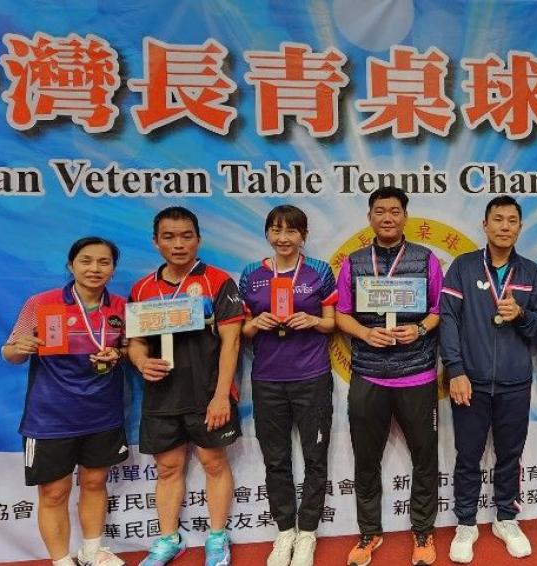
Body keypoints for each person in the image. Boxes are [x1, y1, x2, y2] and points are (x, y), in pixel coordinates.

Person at [1, 236, 129, 566]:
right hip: (51, 417)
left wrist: (117, 353)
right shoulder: (41, 303)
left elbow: (129, 349)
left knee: (95, 482)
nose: (95, 268)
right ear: (71, 265)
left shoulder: (119, 307)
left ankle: (92, 552)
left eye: (104, 262)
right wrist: (20, 348)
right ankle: (61, 561)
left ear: (113, 269)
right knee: (54, 493)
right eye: (86, 261)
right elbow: (10, 352)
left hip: (103, 413)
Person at [128, 207, 244, 566]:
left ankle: (217, 537)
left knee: (213, 462)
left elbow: (232, 342)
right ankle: (168, 539)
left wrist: (221, 395)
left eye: (186, 236)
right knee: (167, 468)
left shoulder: (218, 281)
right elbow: (135, 343)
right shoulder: (142, 288)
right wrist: (141, 362)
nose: (178, 244)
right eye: (169, 237)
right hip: (161, 395)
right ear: (156, 241)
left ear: (198, 239)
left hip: (207, 392)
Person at [334, 187, 443, 566]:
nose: (387, 218)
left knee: (425, 458)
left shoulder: (426, 259)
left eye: (395, 211)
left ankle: (423, 530)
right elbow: (341, 314)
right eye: (380, 211)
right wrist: (365, 334)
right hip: (368, 375)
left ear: (405, 216)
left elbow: (439, 310)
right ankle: (369, 532)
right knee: (366, 459)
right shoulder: (354, 262)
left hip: (417, 374)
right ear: (370, 217)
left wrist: (420, 329)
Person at [440, 196, 537, 563]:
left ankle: (506, 518)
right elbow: (448, 320)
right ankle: (466, 522)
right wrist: (455, 370)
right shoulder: (463, 266)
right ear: (485, 225)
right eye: (498, 219)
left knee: (510, 455)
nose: (505, 226)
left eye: (512, 220)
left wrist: (521, 315)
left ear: (520, 227)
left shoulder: (531, 272)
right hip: (470, 381)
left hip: (515, 382)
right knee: (468, 456)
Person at [239, 205, 337, 566]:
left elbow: (331, 323)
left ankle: (307, 532)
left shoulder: (320, 271)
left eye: (292, 231)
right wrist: (256, 323)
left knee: (315, 457)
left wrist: (312, 320)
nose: (283, 238)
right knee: (275, 458)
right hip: (267, 379)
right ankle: (284, 532)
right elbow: (242, 329)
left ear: (303, 236)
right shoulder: (251, 274)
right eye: (277, 230)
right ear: (267, 233)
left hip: (312, 376)